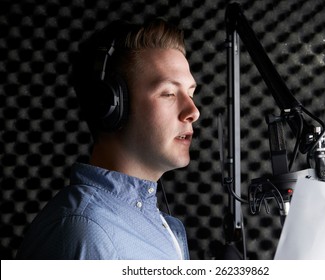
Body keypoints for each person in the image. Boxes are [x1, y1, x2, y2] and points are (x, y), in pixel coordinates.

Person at [16, 18, 200, 260]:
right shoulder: (86, 231)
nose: (193, 112)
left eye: (190, 93)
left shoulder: (144, 222)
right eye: (168, 93)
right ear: (111, 105)